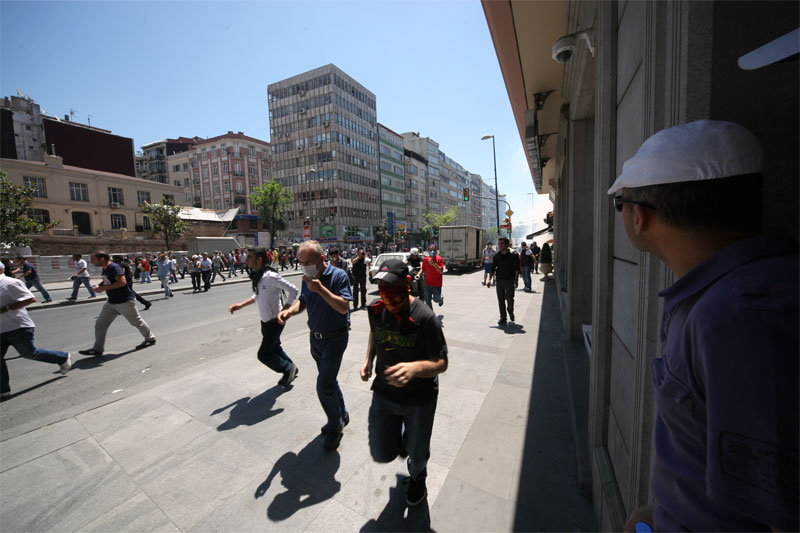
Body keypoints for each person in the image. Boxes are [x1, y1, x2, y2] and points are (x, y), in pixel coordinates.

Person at [614, 120, 798, 532]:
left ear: (640, 218)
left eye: (621, 205)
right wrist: (661, 512)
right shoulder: (715, 298)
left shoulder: (741, 319)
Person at [360, 259, 448, 507]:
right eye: (381, 285)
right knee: (381, 452)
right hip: (384, 393)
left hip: (419, 399)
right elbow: (374, 332)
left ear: (407, 283)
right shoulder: (377, 309)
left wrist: (416, 368)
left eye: (391, 286)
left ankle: (419, 477)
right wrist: (368, 360)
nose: (386, 292)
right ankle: (403, 440)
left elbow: (441, 363)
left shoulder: (425, 318)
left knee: (417, 453)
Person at [278, 240, 352, 450]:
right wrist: (290, 311)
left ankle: (335, 426)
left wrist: (321, 290)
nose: (304, 266)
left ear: (322, 258)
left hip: (335, 338)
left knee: (323, 385)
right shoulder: (307, 278)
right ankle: (342, 413)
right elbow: (304, 300)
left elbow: (343, 307)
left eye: (308, 261)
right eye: (301, 262)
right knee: (329, 381)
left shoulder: (338, 276)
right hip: (316, 338)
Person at [229, 247, 300, 387]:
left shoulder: (270, 277)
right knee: (275, 347)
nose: (246, 259)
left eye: (249, 257)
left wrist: (286, 310)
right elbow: (257, 296)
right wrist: (241, 305)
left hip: (275, 320)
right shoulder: (259, 276)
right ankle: (292, 368)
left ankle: (287, 369)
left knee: (263, 354)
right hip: (266, 321)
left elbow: (293, 290)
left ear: (259, 259)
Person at [0, 261, 71, 399]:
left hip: (18, 327)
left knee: (29, 353)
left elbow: (30, 299)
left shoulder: (10, 283)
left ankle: (62, 357)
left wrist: (6, 309)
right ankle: (3, 389)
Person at [77, 251, 156, 356]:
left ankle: (150, 339)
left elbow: (122, 282)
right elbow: (108, 280)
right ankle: (98, 349)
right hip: (111, 302)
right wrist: (99, 286)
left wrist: (103, 288)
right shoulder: (106, 268)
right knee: (100, 323)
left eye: (93, 259)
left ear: (102, 259)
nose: (91, 262)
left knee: (136, 322)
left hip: (124, 301)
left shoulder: (114, 267)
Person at [489, 237, 519, 326]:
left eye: (501, 243)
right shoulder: (497, 256)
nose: (500, 245)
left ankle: (510, 311)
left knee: (510, 299)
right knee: (501, 300)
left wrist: (516, 280)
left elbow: (517, 268)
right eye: (499, 243)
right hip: (499, 280)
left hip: (510, 280)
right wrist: (489, 280)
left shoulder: (513, 255)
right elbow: (492, 268)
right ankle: (503, 318)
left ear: (506, 244)